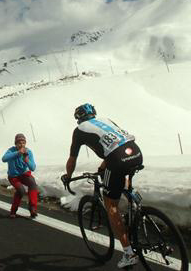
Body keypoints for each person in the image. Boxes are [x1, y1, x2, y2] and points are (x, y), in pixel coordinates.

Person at [61, 103, 143, 269]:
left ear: (78, 118)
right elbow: (115, 145)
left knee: (110, 205)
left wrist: (68, 177)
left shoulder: (79, 131)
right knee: (118, 175)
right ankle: (135, 203)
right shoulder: (106, 120)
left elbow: (72, 159)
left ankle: (128, 253)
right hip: (136, 152)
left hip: (117, 160)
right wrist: (102, 168)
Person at [2, 133, 38, 218]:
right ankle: (13, 211)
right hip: (13, 176)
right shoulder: (11, 150)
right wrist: (17, 153)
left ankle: (32, 208)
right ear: (16, 144)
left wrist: (27, 160)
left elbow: (33, 168)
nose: (21, 144)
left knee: (32, 183)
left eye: (23, 142)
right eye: (19, 142)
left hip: (23, 175)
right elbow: (4, 159)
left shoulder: (28, 152)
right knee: (21, 191)